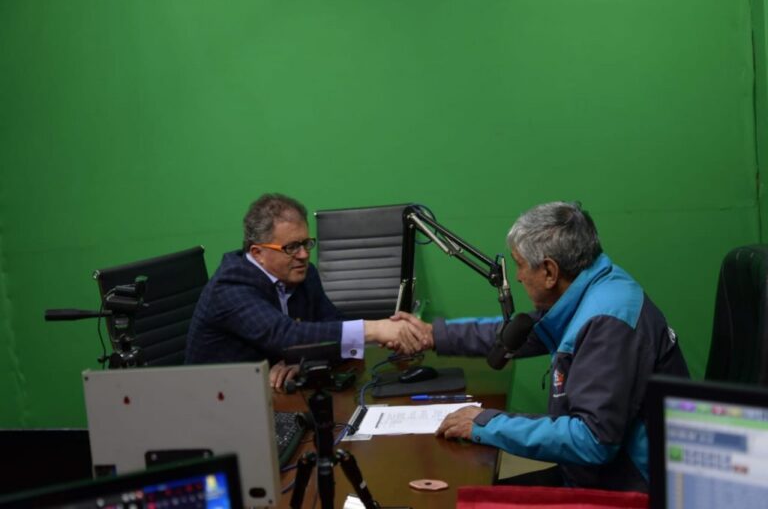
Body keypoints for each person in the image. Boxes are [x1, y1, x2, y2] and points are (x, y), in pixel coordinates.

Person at [397, 201, 689, 492]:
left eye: (520, 264)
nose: (518, 276)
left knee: (465, 499)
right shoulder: (593, 288)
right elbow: (516, 333)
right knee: (474, 493)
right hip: (596, 475)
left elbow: (593, 440)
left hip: (627, 489)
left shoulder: (606, 323)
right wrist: (433, 334)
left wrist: (487, 424)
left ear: (549, 271)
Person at [185, 193, 429, 389]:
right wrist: (375, 329)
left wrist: (306, 360)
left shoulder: (303, 274)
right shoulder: (231, 286)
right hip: (216, 405)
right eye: (291, 247)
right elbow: (284, 335)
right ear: (258, 253)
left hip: (273, 395)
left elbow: (332, 326)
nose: (303, 255)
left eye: (306, 243)